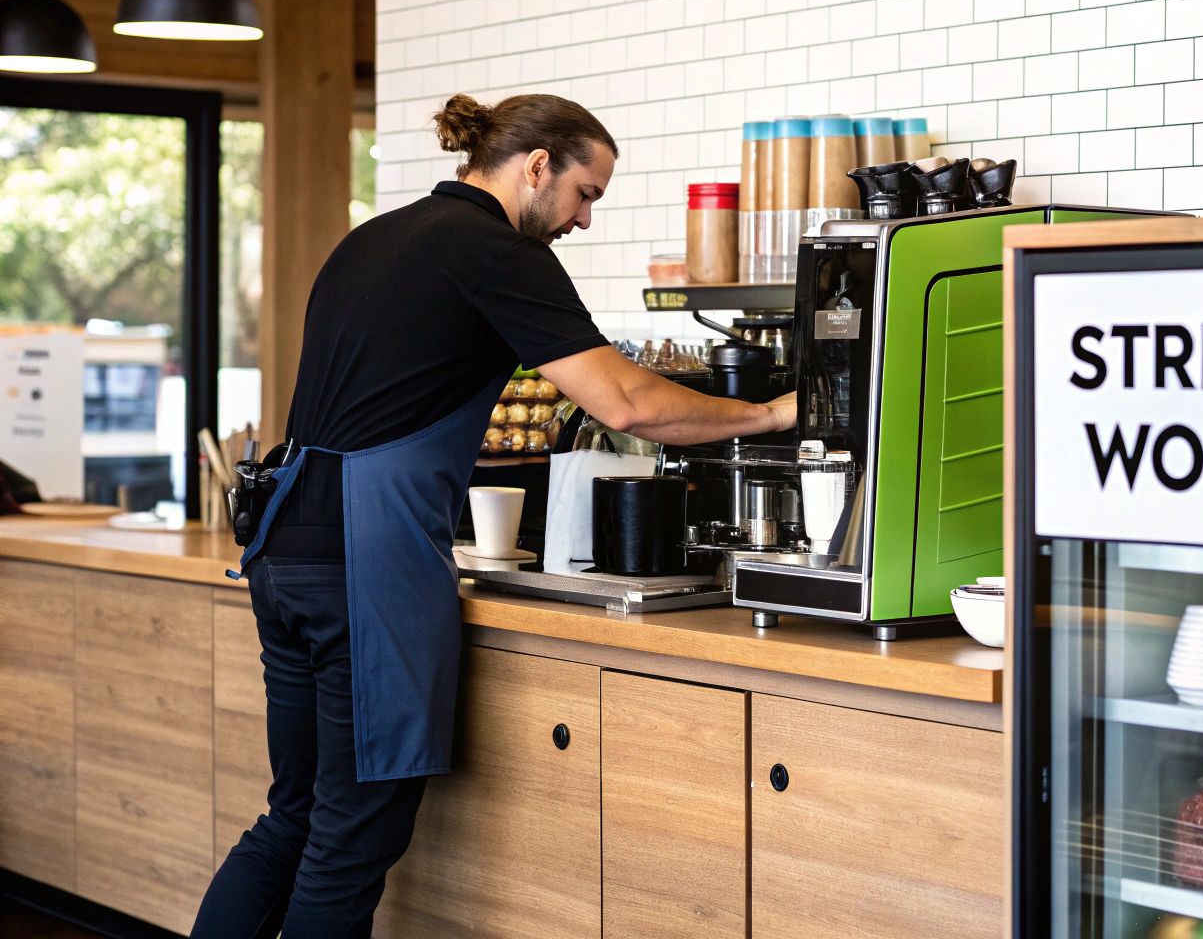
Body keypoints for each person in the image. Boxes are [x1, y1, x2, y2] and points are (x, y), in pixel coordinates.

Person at [190, 93, 793, 938]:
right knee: (350, 840)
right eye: (586, 194)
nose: (583, 221)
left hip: (285, 547)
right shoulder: (496, 252)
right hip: (364, 563)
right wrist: (772, 416)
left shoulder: (374, 238)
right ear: (537, 165)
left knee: (293, 819)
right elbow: (625, 403)